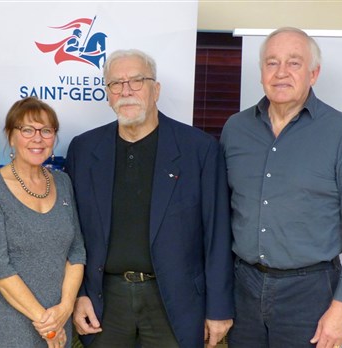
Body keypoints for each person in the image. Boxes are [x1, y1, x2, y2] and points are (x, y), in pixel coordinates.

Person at [220, 27, 342, 348]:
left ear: (313, 73)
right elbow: (221, 217)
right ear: (261, 72)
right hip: (243, 287)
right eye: (271, 63)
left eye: (294, 63)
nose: (281, 73)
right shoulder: (235, 129)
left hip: (310, 292)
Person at [66, 49, 234, 347]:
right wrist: (79, 294)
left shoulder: (199, 149)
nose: (125, 91)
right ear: (107, 94)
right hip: (105, 302)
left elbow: (217, 234)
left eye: (136, 81)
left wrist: (219, 308)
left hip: (176, 302)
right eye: (116, 84)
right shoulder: (84, 149)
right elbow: (71, 232)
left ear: (155, 90)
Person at [0, 96, 86, 348]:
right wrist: (46, 325)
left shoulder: (63, 183)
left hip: (59, 317)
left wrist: (65, 308)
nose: (38, 138)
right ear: (11, 136)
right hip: (12, 323)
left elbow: (76, 252)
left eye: (46, 130)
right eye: (27, 129)